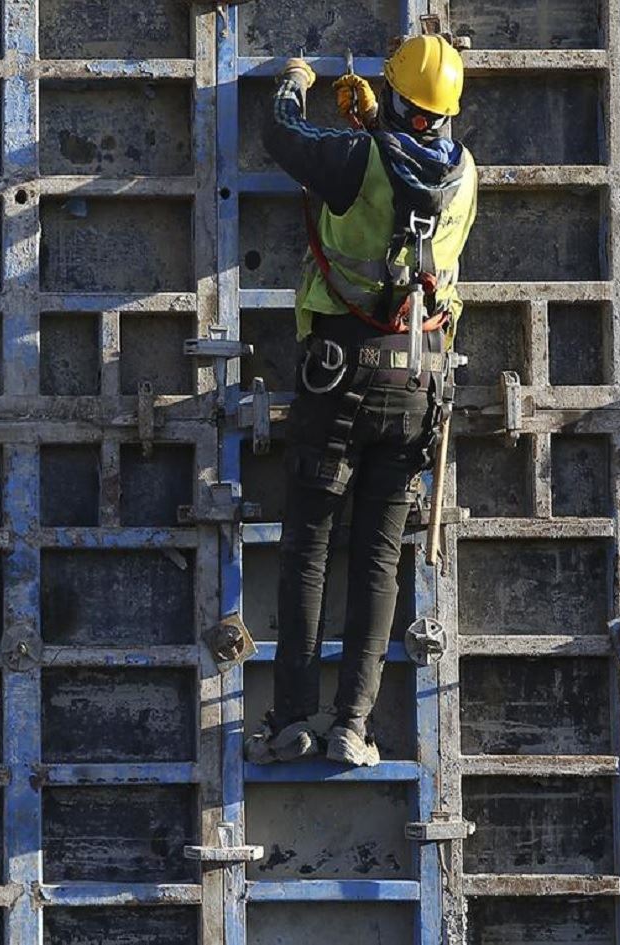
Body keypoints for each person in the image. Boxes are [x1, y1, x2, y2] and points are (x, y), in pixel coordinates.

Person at [246, 36, 477, 766]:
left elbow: (283, 134)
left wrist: (296, 80)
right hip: (418, 381)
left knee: (309, 545)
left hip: (339, 375)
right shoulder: (467, 174)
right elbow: (411, 183)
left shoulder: (356, 160)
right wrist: (378, 122)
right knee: (379, 557)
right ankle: (354, 725)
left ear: (400, 97)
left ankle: (292, 721)